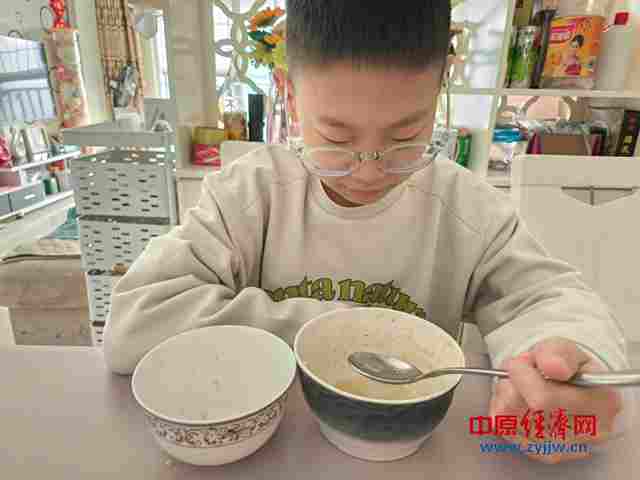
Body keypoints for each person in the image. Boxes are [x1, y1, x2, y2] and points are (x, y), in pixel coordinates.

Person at [104, 0, 635, 464]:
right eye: (336, 137)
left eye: (407, 136)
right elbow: (135, 323)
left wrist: (564, 361)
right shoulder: (251, 195)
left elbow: (551, 298)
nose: (369, 171)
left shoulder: (467, 210)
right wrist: (338, 334)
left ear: (439, 91)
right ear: (290, 94)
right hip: (281, 452)